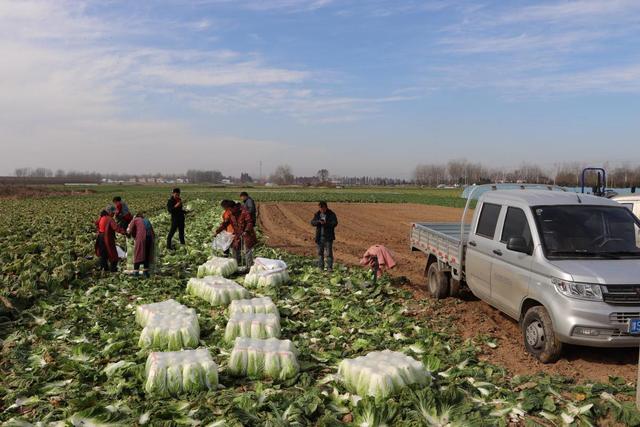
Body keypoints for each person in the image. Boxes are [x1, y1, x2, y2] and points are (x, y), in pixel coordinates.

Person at [215, 200, 257, 267]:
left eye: (229, 209)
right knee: (235, 249)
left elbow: (250, 222)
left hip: (247, 234)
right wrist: (217, 231)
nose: (229, 211)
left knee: (247, 250)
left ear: (233, 207)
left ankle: (249, 267)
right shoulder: (231, 214)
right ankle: (236, 265)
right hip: (237, 234)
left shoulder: (244, 212)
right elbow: (225, 223)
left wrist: (246, 231)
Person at [95, 207, 125, 272]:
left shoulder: (102, 217)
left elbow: (96, 223)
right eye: (113, 213)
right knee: (113, 253)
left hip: (100, 237)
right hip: (107, 238)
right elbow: (116, 228)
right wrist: (124, 232)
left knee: (103, 253)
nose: (113, 214)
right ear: (110, 212)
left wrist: (99, 230)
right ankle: (113, 269)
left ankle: (104, 269)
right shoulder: (110, 219)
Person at [310, 201, 338, 272]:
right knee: (320, 253)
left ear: (326, 207)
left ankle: (329, 268)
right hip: (319, 237)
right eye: (320, 208)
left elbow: (335, 223)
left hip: (328, 237)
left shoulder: (331, 214)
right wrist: (318, 222)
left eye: (322, 208)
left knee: (329, 253)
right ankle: (321, 267)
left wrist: (326, 223)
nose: (321, 210)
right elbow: (312, 222)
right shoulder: (317, 214)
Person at [127, 213, 155, 277]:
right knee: (146, 254)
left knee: (138, 254)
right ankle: (146, 272)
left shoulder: (135, 220)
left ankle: (136, 272)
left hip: (141, 237)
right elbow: (152, 232)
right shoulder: (146, 220)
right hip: (150, 238)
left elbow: (130, 230)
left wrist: (129, 235)